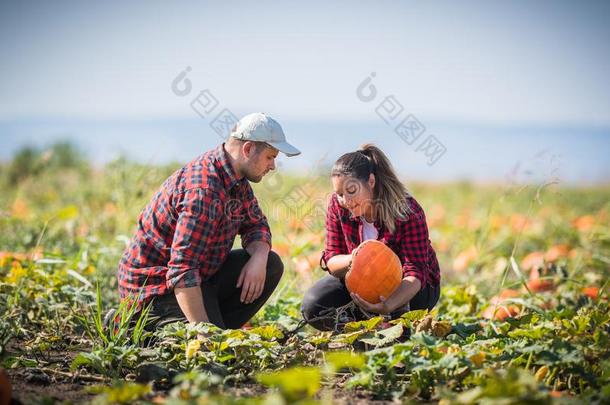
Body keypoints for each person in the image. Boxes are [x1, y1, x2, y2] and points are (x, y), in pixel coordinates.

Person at [117, 112, 301, 330]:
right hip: (157, 291)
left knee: (271, 264)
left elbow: (256, 224)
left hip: (200, 279)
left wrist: (259, 257)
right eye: (270, 157)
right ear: (248, 149)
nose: (272, 166)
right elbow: (182, 270)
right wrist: (204, 335)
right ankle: (136, 325)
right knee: (201, 354)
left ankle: (217, 327)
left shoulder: (236, 179)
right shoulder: (204, 191)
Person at [302, 144, 441, 331]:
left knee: (395, 330)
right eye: (340, 194)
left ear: (371, 181)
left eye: (351, 192)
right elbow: (332, 259)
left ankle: (392, 327)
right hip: (360, 280)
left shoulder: (407, 211)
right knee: (314, 305)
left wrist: (388, 306)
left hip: (410, 287)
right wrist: (356, 257)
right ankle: (360, 330)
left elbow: (415, 273)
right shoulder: (338, 206)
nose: (346, 201)